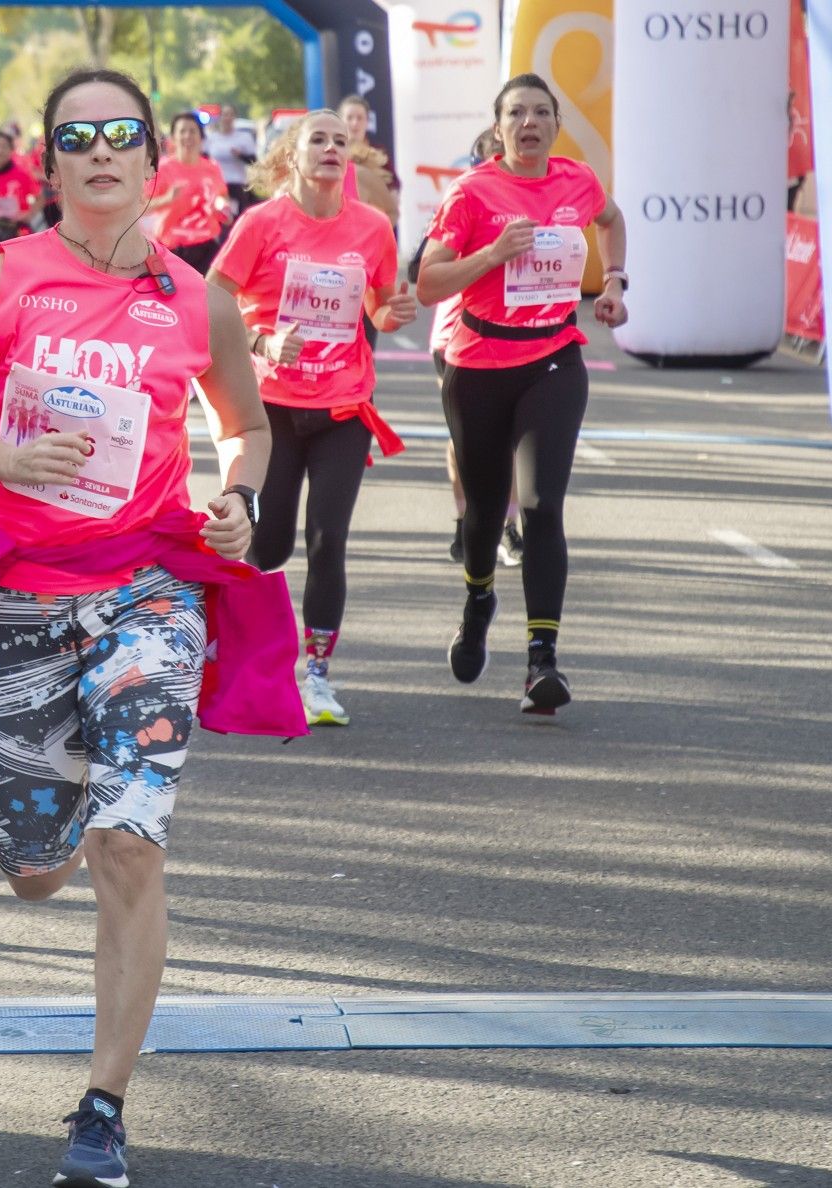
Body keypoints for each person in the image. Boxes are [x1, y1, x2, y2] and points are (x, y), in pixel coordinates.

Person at [0, 67, 300, 1188]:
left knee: (129, 844)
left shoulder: (197, 298)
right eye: (78, 137)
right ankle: (48, 836)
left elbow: (246, 427)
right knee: (38, 871)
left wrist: (241, 496)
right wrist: (6, 459)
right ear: (51, 160)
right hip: (24, 596)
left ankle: (105, 1103)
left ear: (154, 157)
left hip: (150, 592)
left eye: (122, 134)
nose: (101, 151)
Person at [415, 73, 628, 715]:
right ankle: (479, 599)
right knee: (484, 516)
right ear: (499, 127)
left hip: (555, 360)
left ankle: (542, 661)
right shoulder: (472, 193)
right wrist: (491, 255)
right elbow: (427, 283)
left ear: (555, 124)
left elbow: (612, 220)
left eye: (541, 112)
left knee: (539, 506)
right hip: (478, 364)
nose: (529, 123)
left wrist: (615, 280)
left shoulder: (577, 181)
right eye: (517, 114)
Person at [211, 109, 417, 728]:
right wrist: (262, 339)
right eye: (317, 140)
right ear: (291, 159)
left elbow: (379, 312)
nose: (331, 148)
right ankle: (230, 648)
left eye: (339, 140)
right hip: (270, 406)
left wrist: (395, 311)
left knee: (328, 540)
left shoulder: (373, 227)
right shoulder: (262, 223)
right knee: (266, 546)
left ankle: (318, 676)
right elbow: (213, 299)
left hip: (342, 404)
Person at [420, 127, 522, 568]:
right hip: (455, 336)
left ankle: (509, 526)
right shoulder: (464, 202)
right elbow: (423, 270)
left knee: (510, 440)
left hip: (513, 335)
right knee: (465, 441)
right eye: (491, 158)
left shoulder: (527, 210)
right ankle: (466, 518)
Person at [145, 112, 229, 274]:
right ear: (174, 138)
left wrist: (221, 208)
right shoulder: (162, 169)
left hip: (207, 246)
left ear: (201, 137)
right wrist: (167, 199)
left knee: (206, 296)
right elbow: (142, 207)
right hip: (173, 248)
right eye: (182, 131)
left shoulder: (211, 168)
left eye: (192, 131)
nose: (188, 136)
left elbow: (222, 198)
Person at [336, 95, 400, 225]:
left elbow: (394, 189)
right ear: (341, 121)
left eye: (360, 118)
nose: (355, 123)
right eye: (349, 118)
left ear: (367, 121)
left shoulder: (379, 154)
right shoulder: (332, 153)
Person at [201, 104, 258, 218]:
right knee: (219, 218)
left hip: (237, 185)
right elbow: (203, 160)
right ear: (220, 117)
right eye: (225, 115)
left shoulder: (244, 137)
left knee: (235, 218)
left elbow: (254, 161)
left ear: (234, 117)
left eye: (230, 115)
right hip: (218, 186)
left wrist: (240, 155)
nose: (227, 118)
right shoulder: (212, 138)